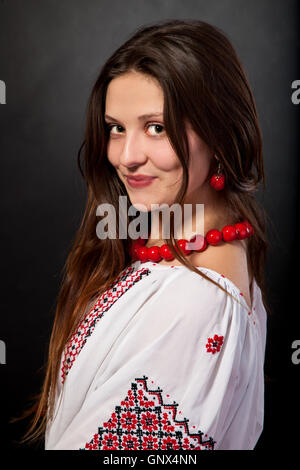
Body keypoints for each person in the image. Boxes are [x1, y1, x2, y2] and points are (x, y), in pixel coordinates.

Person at [20, 19, 270, 450]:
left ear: (220, 131)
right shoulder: (175, 249)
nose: (125, 156)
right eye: (116, 127)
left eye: (156, 127)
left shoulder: (197, 301)